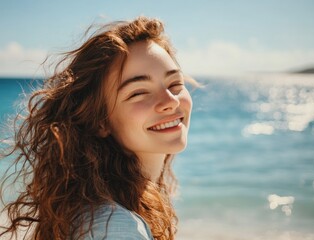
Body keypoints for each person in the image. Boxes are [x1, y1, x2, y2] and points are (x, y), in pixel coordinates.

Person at [0, 16, 195, 240]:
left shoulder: (103, 213)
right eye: (139, 92)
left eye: (175, 84)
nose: (170, 100)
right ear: (100, 121)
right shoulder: (115, 228)